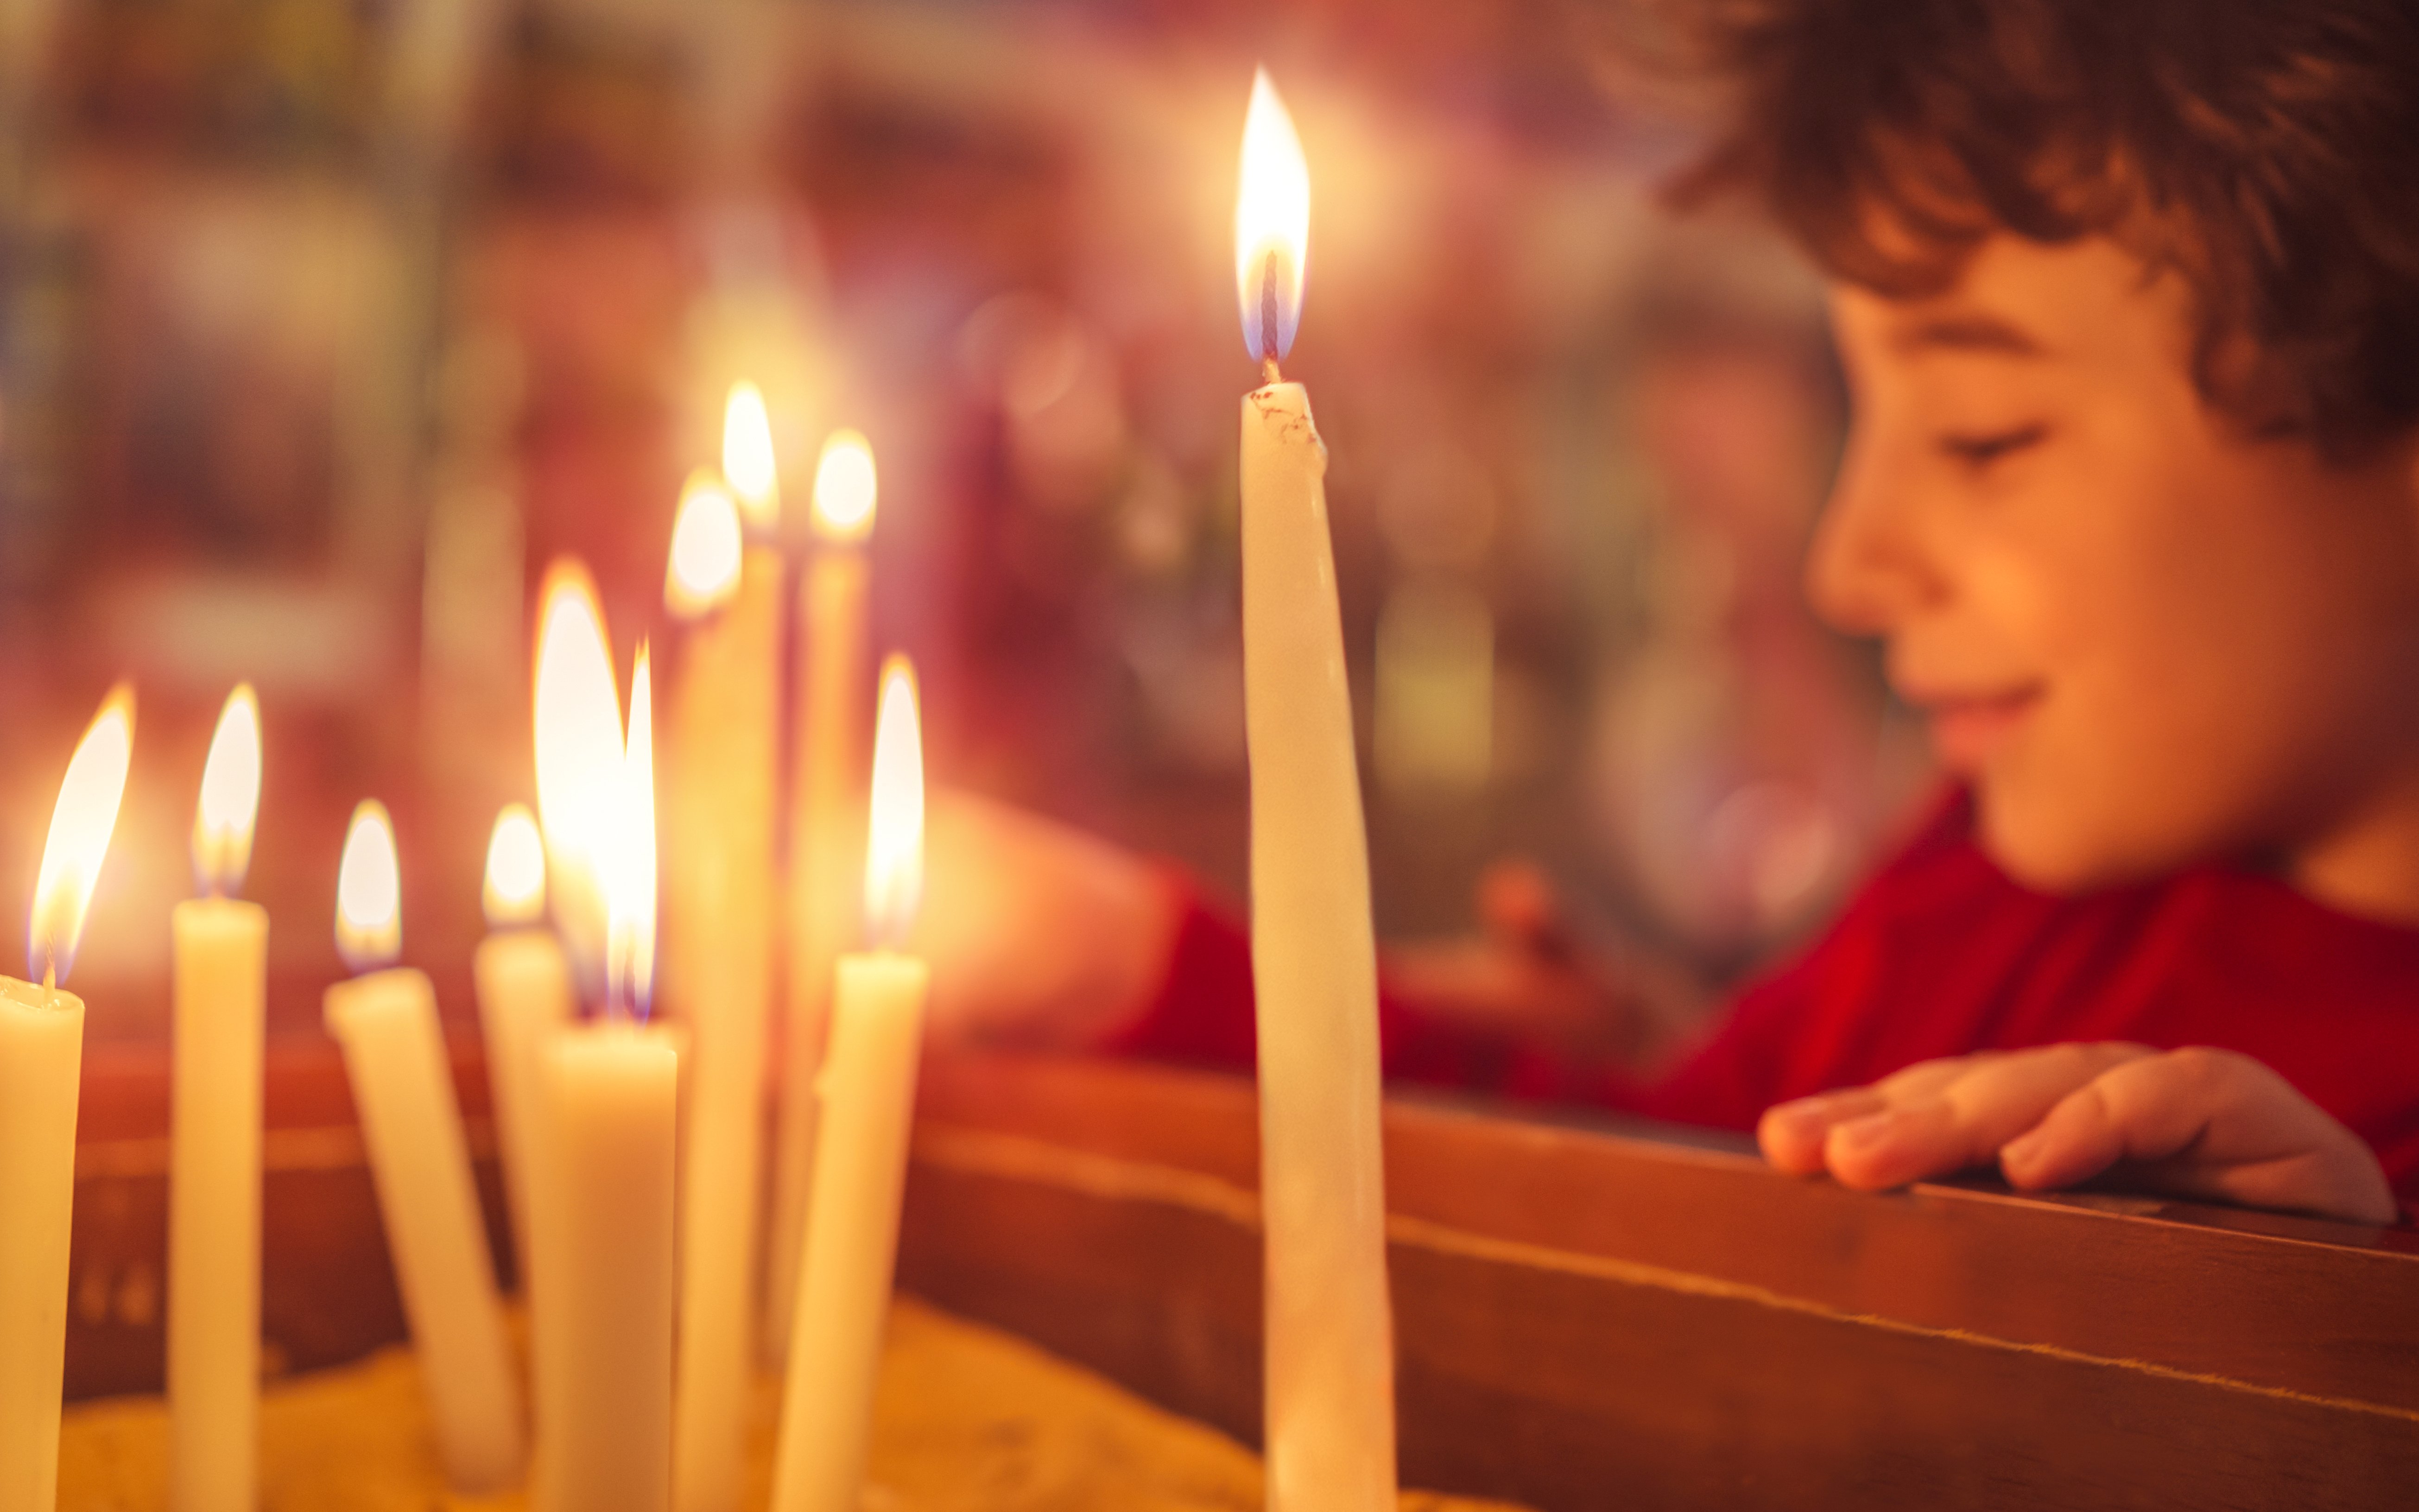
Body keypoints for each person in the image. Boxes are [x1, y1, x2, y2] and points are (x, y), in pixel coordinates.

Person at [914, 0, 2419, 1227]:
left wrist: (2318, 1334)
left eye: (1982, 435)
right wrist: (1134, 967)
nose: (1850, 563)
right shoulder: (1983, 894)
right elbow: (1654, 1187)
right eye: (1860, 412)